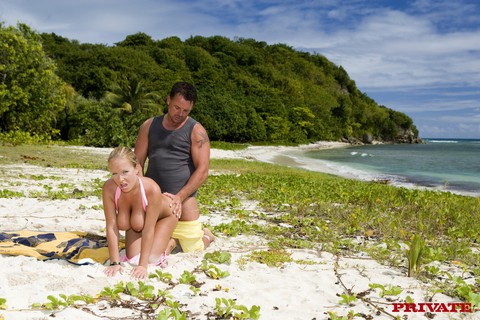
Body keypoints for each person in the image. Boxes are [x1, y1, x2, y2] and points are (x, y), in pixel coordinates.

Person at [134, 81, 215, 253]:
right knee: (144, 243)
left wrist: (179, 197)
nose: (180, 114)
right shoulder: (148, 126)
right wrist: (141, 190)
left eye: (186, 111)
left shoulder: (197, 131)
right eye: (177, 108)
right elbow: (137, 162)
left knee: (193, 248)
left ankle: (207, 235)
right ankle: (171, 239)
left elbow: (203, 170)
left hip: (182, 198)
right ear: (168, 100)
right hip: (154, 196)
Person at [102, 146, 177, 279]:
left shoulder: (151, 188)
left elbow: (148, 230)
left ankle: (172, 242)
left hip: (166, 215)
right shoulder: (109, 188)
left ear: (136, 169)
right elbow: (111, 225)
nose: (120, 179)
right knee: (132, 258)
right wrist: (114, 262)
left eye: (125, 172)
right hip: (138, 223)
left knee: (151, 258)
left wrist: (142, 266)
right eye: (114, 173)